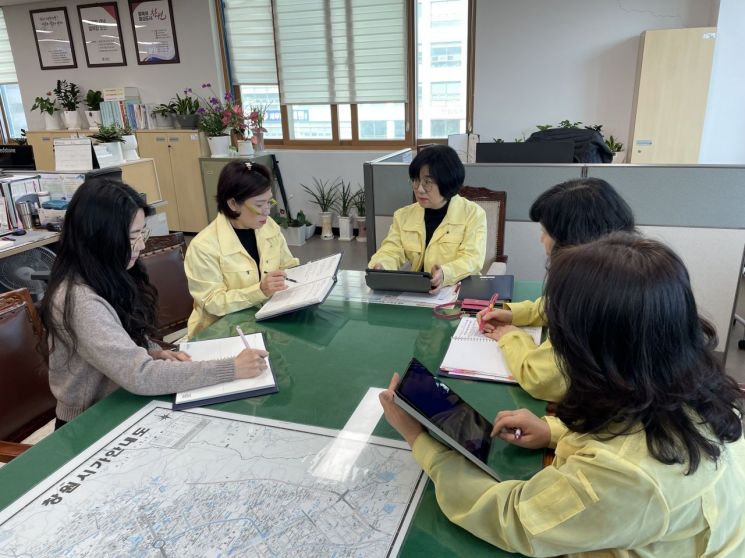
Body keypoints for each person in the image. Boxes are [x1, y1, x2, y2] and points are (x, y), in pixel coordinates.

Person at [380, 234, 745, 557]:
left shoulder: (626, 477)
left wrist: (419, 439)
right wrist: (553, 431)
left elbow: (514, 518)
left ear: (595, 353)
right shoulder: (696, 392)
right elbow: (630, 436)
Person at [40, 179, 269, 428]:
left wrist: (152, 351)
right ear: (99, 238)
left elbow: (123, 334)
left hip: (122, 402)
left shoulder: (107, 271)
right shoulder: (79, 300)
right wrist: (231, 368)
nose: (141, 245)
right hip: (89, 421)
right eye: (132, 237)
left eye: (142, 233)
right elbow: (139, 375)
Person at [477, 177, 635, 401]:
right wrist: (514, 314)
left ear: (572, 238)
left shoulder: (593, 292)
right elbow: (556, 306)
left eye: (545, 232)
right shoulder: (621, 268)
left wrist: (511, 336)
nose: (542, 240)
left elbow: (539, 377)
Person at [184, 161, 299, 337]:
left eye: (270, 202)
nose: (267, 211)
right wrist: (259, 291)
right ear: (233, 204)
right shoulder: (204, 247)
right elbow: (212, 302)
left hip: (266, 319)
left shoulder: (268, 226)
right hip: (221, 333)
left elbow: (287, 265)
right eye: (259, 205)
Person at [368, 144, 486, 293]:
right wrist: (382, 265)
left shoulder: (473, 214)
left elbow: (472, 259)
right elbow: (391, 250)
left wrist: (444, 273)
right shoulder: (403, 215)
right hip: (418, 293)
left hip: (458, 292)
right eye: (416, 180)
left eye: (427, 182)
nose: (419, 189)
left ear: (447, 182)